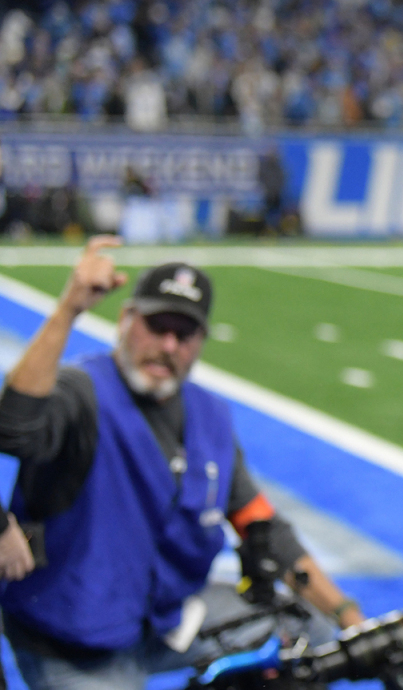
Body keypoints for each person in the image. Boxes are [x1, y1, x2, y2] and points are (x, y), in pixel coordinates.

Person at [0, 237, 364, 689]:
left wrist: (348, 617)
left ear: (200, 342)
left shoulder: (209, 415)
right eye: (157, 326)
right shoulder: (81, 393)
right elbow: (12, 428)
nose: (168, 345)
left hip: (164, 618)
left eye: (184, 334)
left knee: (313, 631)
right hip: (73, 637)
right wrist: (68, 310)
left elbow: (262, 526)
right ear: (126, 320)